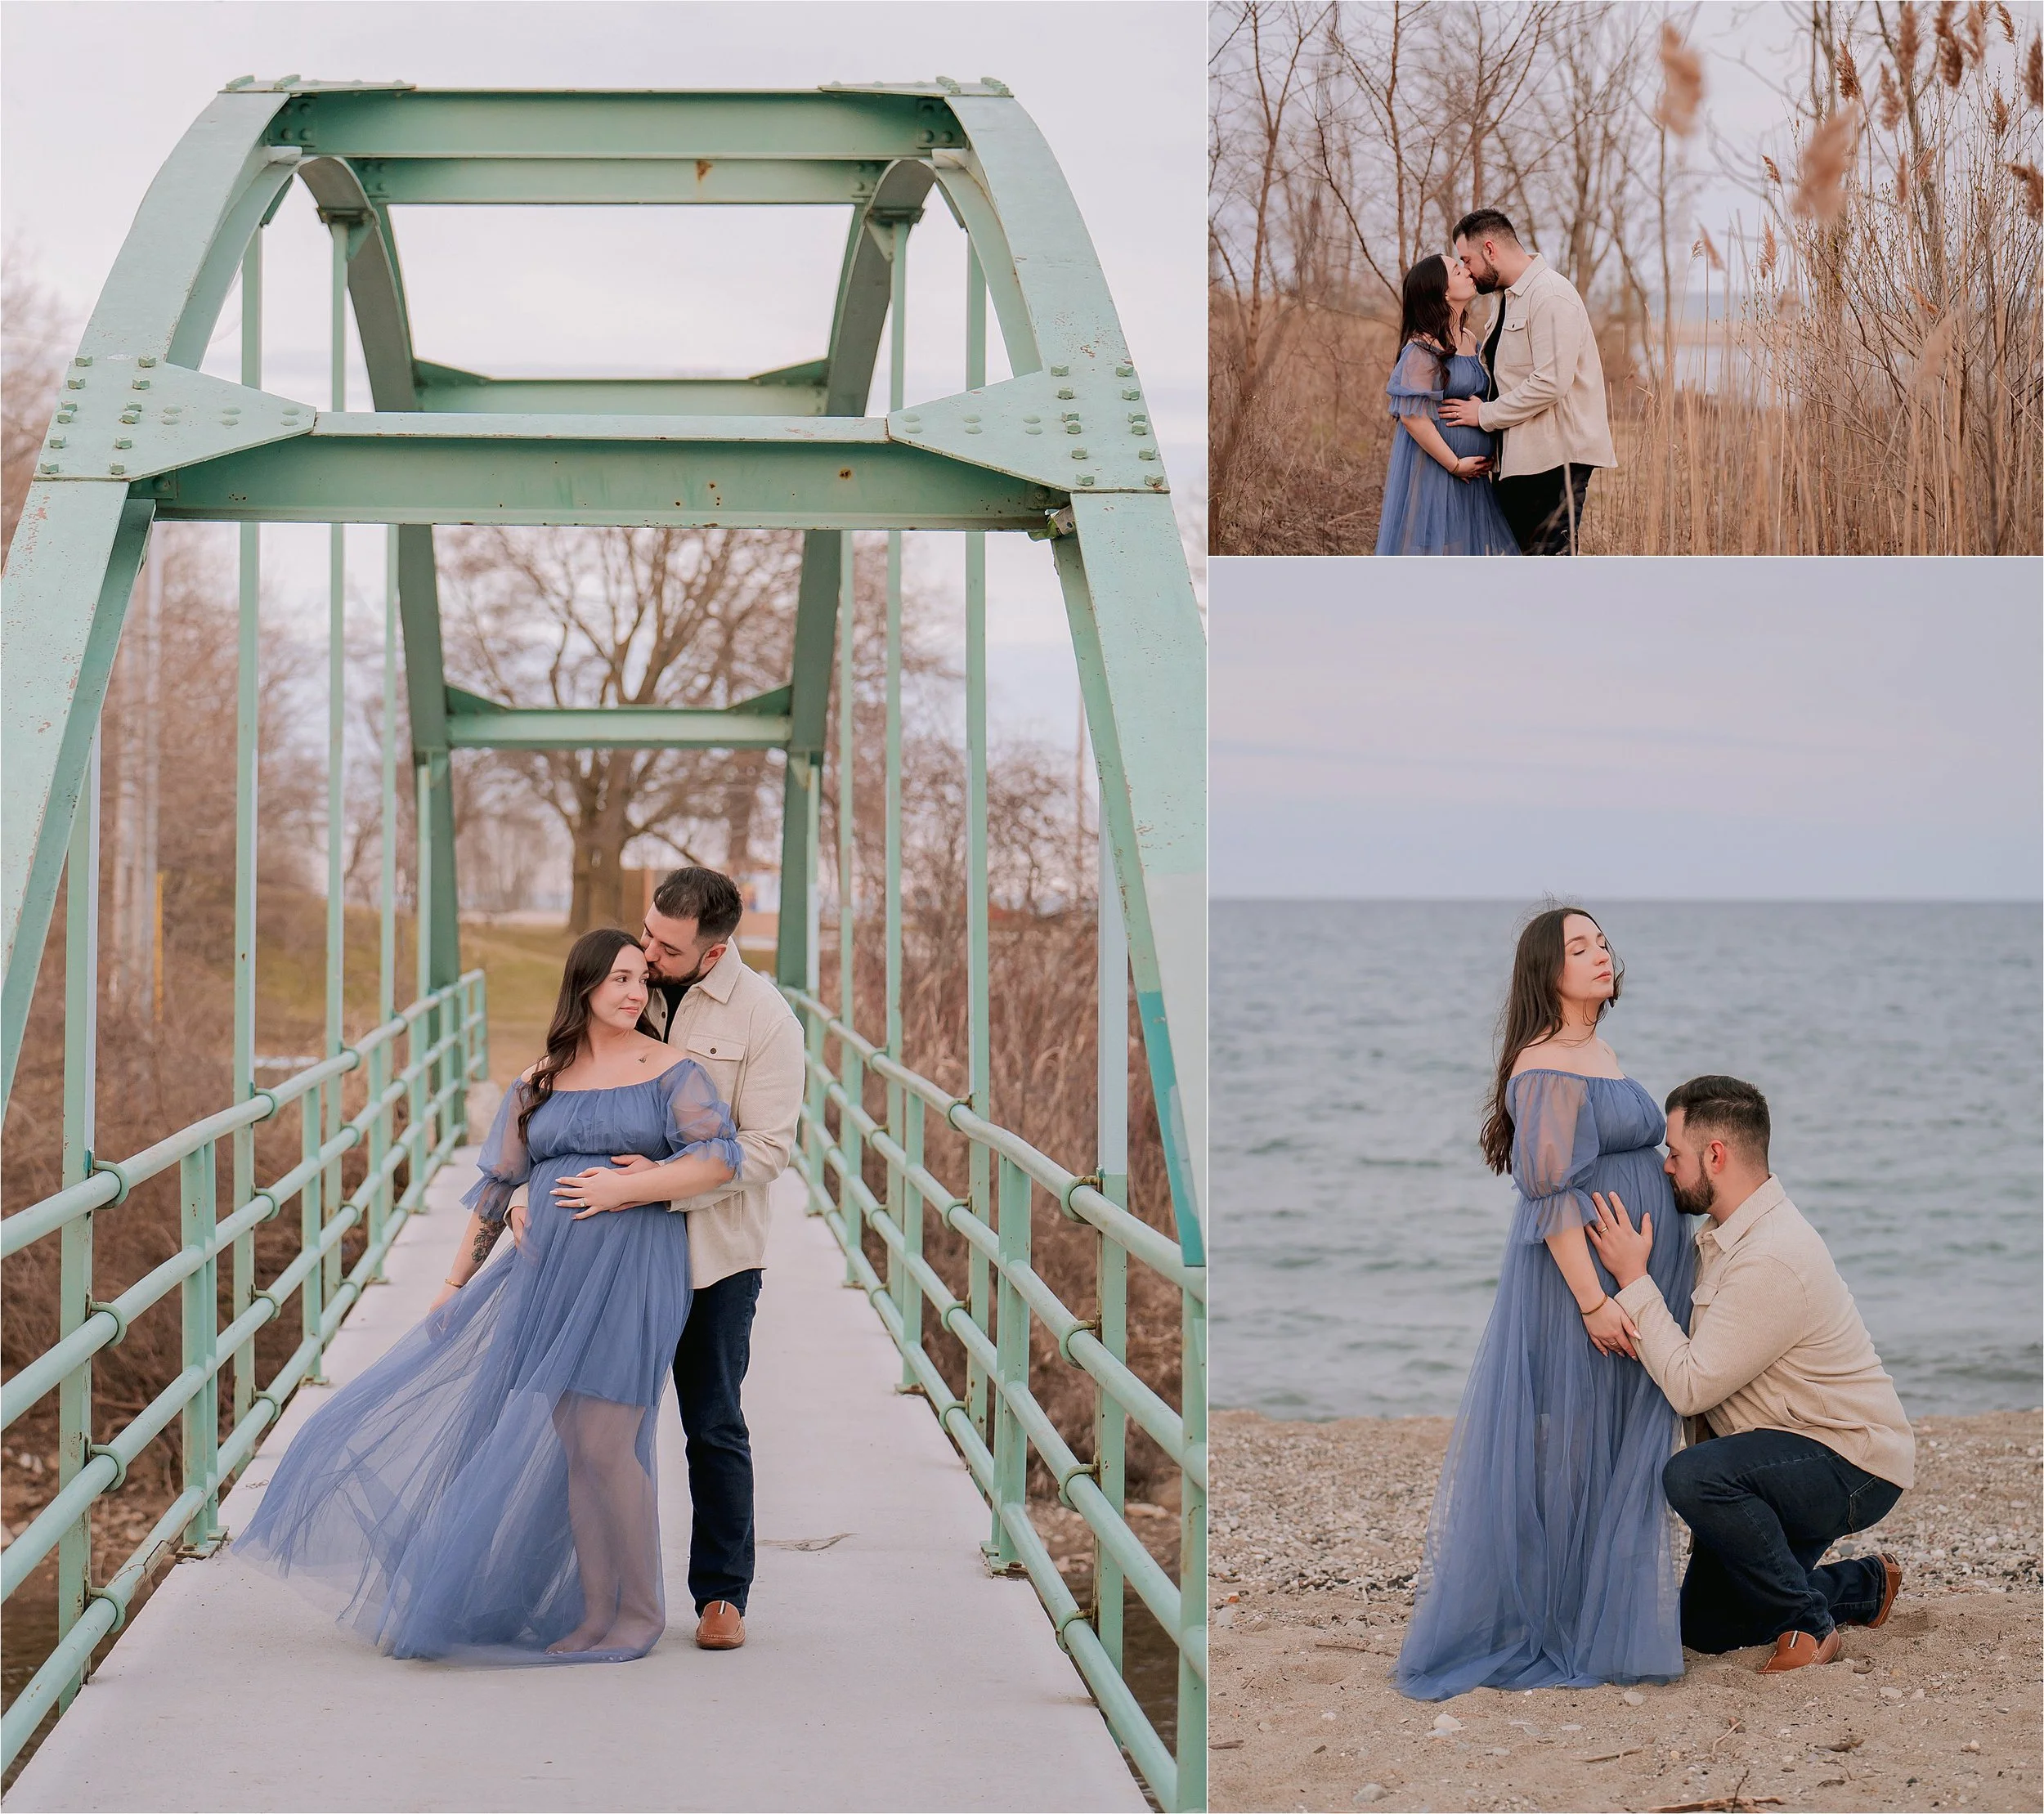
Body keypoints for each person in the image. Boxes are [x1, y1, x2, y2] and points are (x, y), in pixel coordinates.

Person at [235, 929, 741, 1664]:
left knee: (607, 1441)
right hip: (548, 1274)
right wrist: (452, 1283)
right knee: (575, 1444)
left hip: (634, 1266)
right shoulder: (540, 1081)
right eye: (621, 980)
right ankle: (594, 1612)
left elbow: (719, 1158)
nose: (636, 993)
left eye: (642, 980)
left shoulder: (671, 1070)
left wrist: (630, 1185)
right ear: (585, 986)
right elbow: (500, 1184)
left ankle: (637, 1611)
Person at [1394, 906, 1694, 1699]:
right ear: (1546, 970)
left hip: (1625, 1275)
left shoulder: (1593, 1049)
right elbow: (1552, 1196)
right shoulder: (1545, 1063)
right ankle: (1560, 1623)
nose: (1600, 954)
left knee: (1615, 1444)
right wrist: (1596, 1301)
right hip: (1580, 1288)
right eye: (1578, 946)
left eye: (1600, 941)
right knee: (1575, 1443)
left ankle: (1602, 1615)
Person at [512, 867, 804, 1654]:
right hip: (604, 1259)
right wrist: (525, 1191)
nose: (647, 953)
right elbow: (559, 1094)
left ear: (713, 953)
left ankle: (720, 1595)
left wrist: (656, 1187)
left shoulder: (765, 1019)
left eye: (665, 948)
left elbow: (770, 1149)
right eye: (645, 933)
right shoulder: (631, 980)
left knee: (710, 1420)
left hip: (710, 1251)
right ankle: (595, 1599)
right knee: (592, 1430)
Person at [1587, 1076, 1913, 1673]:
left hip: (1849, 1460)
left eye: (1674, 1153)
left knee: (1693, 1478)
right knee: (1707, 1628)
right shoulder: (1723, 1233)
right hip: (1784, 1453)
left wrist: (1633, 1278)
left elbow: (1692, 1384)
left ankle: (1813, 1626)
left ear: (1716, 1154)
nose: (1666, 1168)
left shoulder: (1771, 1254)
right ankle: (1863, 1586)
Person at [1439, 209, 1616, 556]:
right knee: (1519, 570)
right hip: (1521, 461)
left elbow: (1551, 381)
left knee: (1547, 571)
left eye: (1467, 259)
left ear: (1490, 249)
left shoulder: (1550, 295)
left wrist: (1484, 415)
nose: (1468, 271)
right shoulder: (1507, 298)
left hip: (1555, 461)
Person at [1374, 252, 1520, 557]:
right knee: (1442, 556)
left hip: (1475, 476)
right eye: (1457, 270)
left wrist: (1484, 408)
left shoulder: (1470, 339)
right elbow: (1413, 419)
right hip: (1439, 470)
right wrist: (1454, 464)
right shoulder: (1421, 346)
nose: (1467, 271)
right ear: (1442, 291)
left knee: (1469, 558)